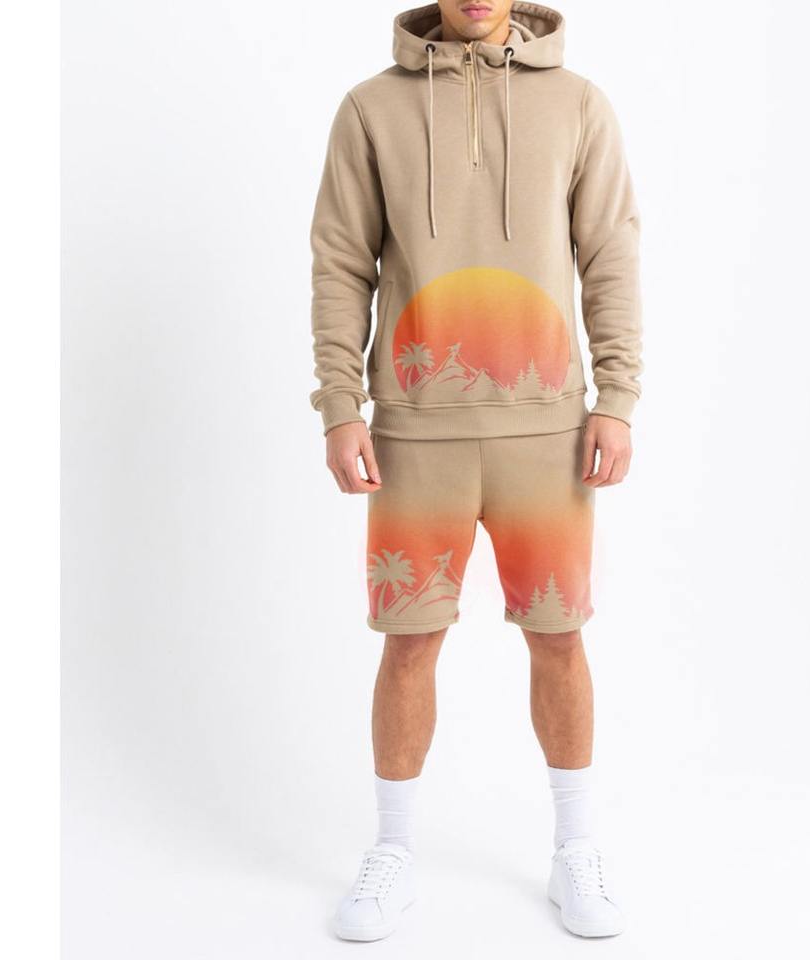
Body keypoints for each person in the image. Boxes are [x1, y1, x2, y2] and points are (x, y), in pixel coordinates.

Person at [309, 0, 642, 941]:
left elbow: (610, 252)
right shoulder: (371, 108)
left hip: (549, 430)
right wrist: (340, 406)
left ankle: (575, 847)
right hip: (415, 432)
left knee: (559, 638)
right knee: (408, 641)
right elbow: (341, 263)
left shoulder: (578, 104)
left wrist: (617, 395)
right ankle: (394, 851)